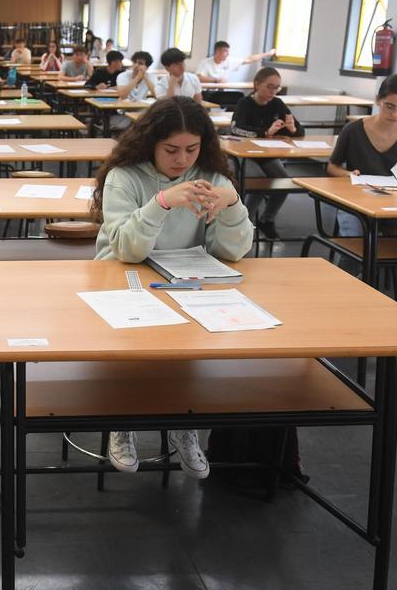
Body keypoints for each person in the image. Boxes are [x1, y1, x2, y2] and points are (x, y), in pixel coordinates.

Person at [92, 97, 253, 478]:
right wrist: (161, 203)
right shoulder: (125, 177)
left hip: (185, 277)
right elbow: (128, 251)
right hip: (122, 275)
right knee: (134, 341)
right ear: (151, 143)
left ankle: (185, 419)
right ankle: (122, 416)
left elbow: (232, 251)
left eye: (191, 150)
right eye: (171, 150)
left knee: (194, 342)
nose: (182, 160)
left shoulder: (210, 177)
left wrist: (232, 204)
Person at [327, 74, 397, 236]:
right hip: (359, 200)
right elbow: (332, 167)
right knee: (357, 246)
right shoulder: (352, 130)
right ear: (378, 100)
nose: (395, 114)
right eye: (389, 106)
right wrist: (348, 175)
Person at [230, 67, 304, 238]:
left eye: (277, 87)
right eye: (269, 86)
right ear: (257, 84)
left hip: (265, 154)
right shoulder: (245, 103)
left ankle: (267, 219)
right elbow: (236, 128)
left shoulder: (277, 103)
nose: (273, 91)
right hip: (244, 154)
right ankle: (244, 223)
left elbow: (299, 130)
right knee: (259, 182)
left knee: (283, 182)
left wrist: (293, 129)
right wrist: (266, 132)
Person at [195, 41, 276, 83]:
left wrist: (268, 54)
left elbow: (249, 59)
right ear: (218, 51)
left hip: (222, 91)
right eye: (225, 51)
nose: (228, 54)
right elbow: (199, 77)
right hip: (207, 92)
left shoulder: (230, 61)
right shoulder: (205, 62)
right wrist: (216, 80)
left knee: (238, 97)